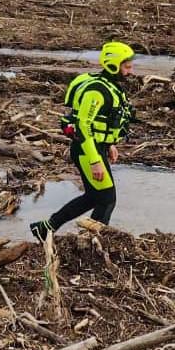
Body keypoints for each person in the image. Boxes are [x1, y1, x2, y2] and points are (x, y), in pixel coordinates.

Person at [31, 41, 135, 240]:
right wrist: (95, 160)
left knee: (94, 196)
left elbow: (103, 120)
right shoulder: (96, 91)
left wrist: (110, 144)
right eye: (127, 67)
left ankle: (45, 228)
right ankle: (91, 240)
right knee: (106, 199)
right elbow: (84, 125)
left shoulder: (110, 87)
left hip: (96, 147)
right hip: (87, 149)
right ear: (114, 65)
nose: (131, 72)